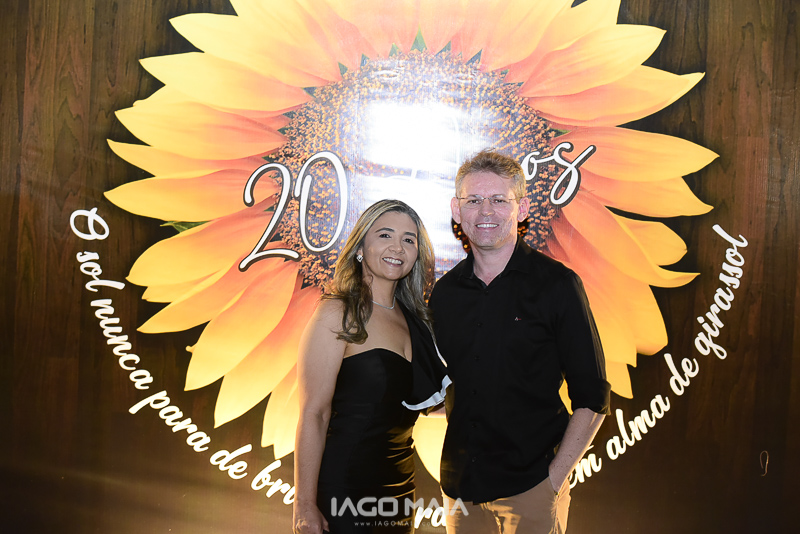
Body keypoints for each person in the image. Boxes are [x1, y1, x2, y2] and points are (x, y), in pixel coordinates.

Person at [427, 150, 611, 534]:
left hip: (532, 488)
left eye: (499, 199)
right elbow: (444, 389)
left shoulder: (558, 286)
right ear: (456, 211)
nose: (485, 211)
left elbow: (593, 398)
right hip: (461, 491)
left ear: (521, 208)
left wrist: (551, 483)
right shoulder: (444, 295)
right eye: (473, 200)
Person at [294, 200, 449, 534]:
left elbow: (425, 402)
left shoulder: (418, 321)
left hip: (400, 493)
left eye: (409, 240)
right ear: (361, 247)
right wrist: (304, 504)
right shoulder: (338, 312)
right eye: (385, 235)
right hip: (345, 487)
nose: (398, 247)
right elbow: (314, 413)